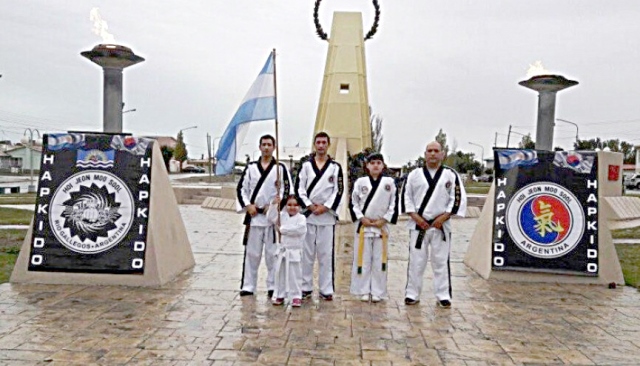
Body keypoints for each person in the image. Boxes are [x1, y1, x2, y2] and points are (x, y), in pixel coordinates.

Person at [402, 141, 467, 308]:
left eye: (436, 151)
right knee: (416, 261)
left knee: (441, 261)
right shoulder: (414, 175)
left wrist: (443, 217)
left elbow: (457, 199)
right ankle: (412, 293)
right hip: (419, 225)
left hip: (441, 225)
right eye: (429, 151)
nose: (432, 154)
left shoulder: (450, 175)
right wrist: (416, 217)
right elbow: (406, 198)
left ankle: (443, 295)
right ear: (425, 154)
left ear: (442, 154)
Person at [236, 134, 291, 298]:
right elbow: (241, 190)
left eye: (269, 144)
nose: (266, 147)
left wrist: (276, 204)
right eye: (264, 144)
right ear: (259, 147)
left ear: (274, 147)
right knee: (252, 254)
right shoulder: (251, 168)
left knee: (272, 254)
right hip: (254, 217)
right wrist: (248, 205)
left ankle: (273, 286)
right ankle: (248, 285)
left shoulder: (280, 169)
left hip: (271, 218)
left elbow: (287, 191)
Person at [295, 131, 344, 301]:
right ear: (314, 144)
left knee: (325, 254)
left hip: (326, 217)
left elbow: (339, 191)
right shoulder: (306, 166)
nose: (321, 145)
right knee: (306, 253)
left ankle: (326, 288)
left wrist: (326, 207)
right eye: (318, 142)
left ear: (328, 145)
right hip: (308, 215)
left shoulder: (335, 167)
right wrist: (309, 205)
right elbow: (299, 188)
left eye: (324, 142)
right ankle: (305, 286)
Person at [349, 152, 398, 303]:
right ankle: (363, 290)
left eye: (378, 162)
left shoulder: (389, 183)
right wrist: (361, 217)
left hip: (380, 228)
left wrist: (384, 220)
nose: (375, 165)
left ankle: (378, 291)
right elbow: (353, 202)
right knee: (362, 260)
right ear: (367, 166)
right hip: (364, 227)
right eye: (373, 163)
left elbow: (394, 204)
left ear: (383, 166)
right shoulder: (360, 182)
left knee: (379, 261)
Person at [267, 195, 307, 307]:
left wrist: (283, 230)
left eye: (295, 205)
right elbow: (270, 218)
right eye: (289, 205)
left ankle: (296, 296)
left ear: (299, 206)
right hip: (283, 251)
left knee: (295, 275)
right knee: (280, 274)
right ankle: (280, 294)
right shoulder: (282, 216)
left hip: (294, 251)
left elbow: (299, 230)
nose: (292, 207)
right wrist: (274, 204)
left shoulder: (301, 218)